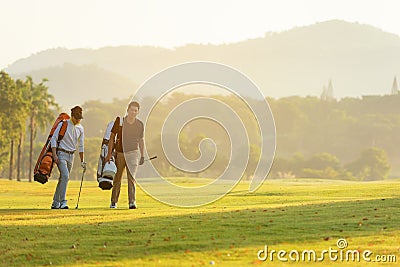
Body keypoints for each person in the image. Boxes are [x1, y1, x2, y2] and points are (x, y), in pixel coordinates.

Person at [105, 101, 144, 209]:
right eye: (132, 110)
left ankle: (132, 202)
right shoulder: (120, 122)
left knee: (132, 178)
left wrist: (142, 155)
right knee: (117, 178)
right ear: (128, 110)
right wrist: (109, 155)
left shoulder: (139, 124)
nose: (133, 112)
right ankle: (113, 202)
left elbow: (141, 140)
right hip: (120, 153)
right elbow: (112, 137)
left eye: (135, 110)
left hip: (133, 154)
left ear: (138, 112)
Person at [50, 106, 86, 209]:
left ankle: (55, 203)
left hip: (72, 156)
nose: (78, 120)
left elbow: (81, 145)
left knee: (63, 179)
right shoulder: (63, 124)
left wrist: (82, 161)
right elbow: (54, 139)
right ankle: (63, 202)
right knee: (65, 176)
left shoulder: (80, 128)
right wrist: (54, 154)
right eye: (77, 118)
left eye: (80, 118)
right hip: (61, 154)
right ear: (72, 116)